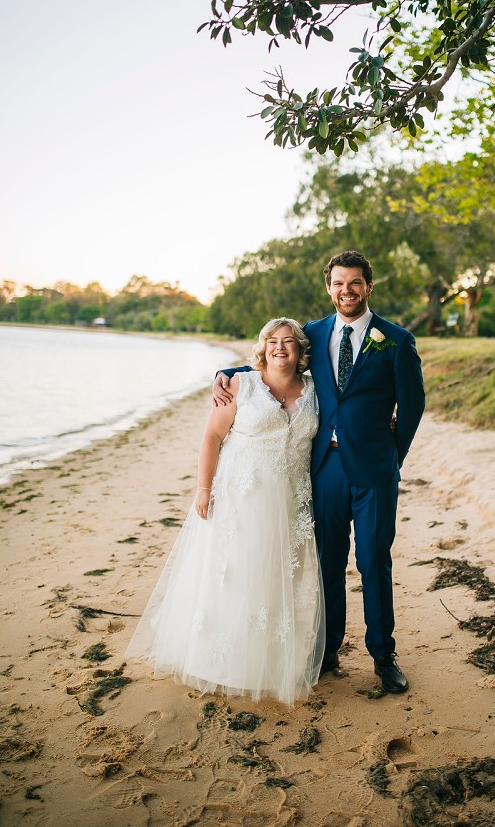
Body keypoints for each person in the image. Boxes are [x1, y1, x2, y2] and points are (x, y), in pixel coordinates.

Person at [214, 251, 425, 693]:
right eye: (338, 283)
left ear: (369, 286)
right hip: (324, 467)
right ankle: (328, 650)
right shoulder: (312, 332)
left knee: (373, 560)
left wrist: (393, 456)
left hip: (374, 471)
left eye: (355, 283)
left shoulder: (396, 340)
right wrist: (227, 372)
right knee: (327, 560)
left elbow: (413, 405)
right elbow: (275, 361)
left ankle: (382, 654)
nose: (347, 291)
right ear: (329, 288)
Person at [126, 318, 324, 707]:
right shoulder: (239, 385)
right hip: (241, 498)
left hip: (290, 502)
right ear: (262, 348)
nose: (280, 348)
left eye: (288, 342)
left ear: (301, 350)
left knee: (275, 578)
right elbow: (213, 437)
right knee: (234, 574)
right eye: (272, 341)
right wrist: (204, 489)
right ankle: (220, 665)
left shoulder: (315, 391)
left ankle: (265, 664)